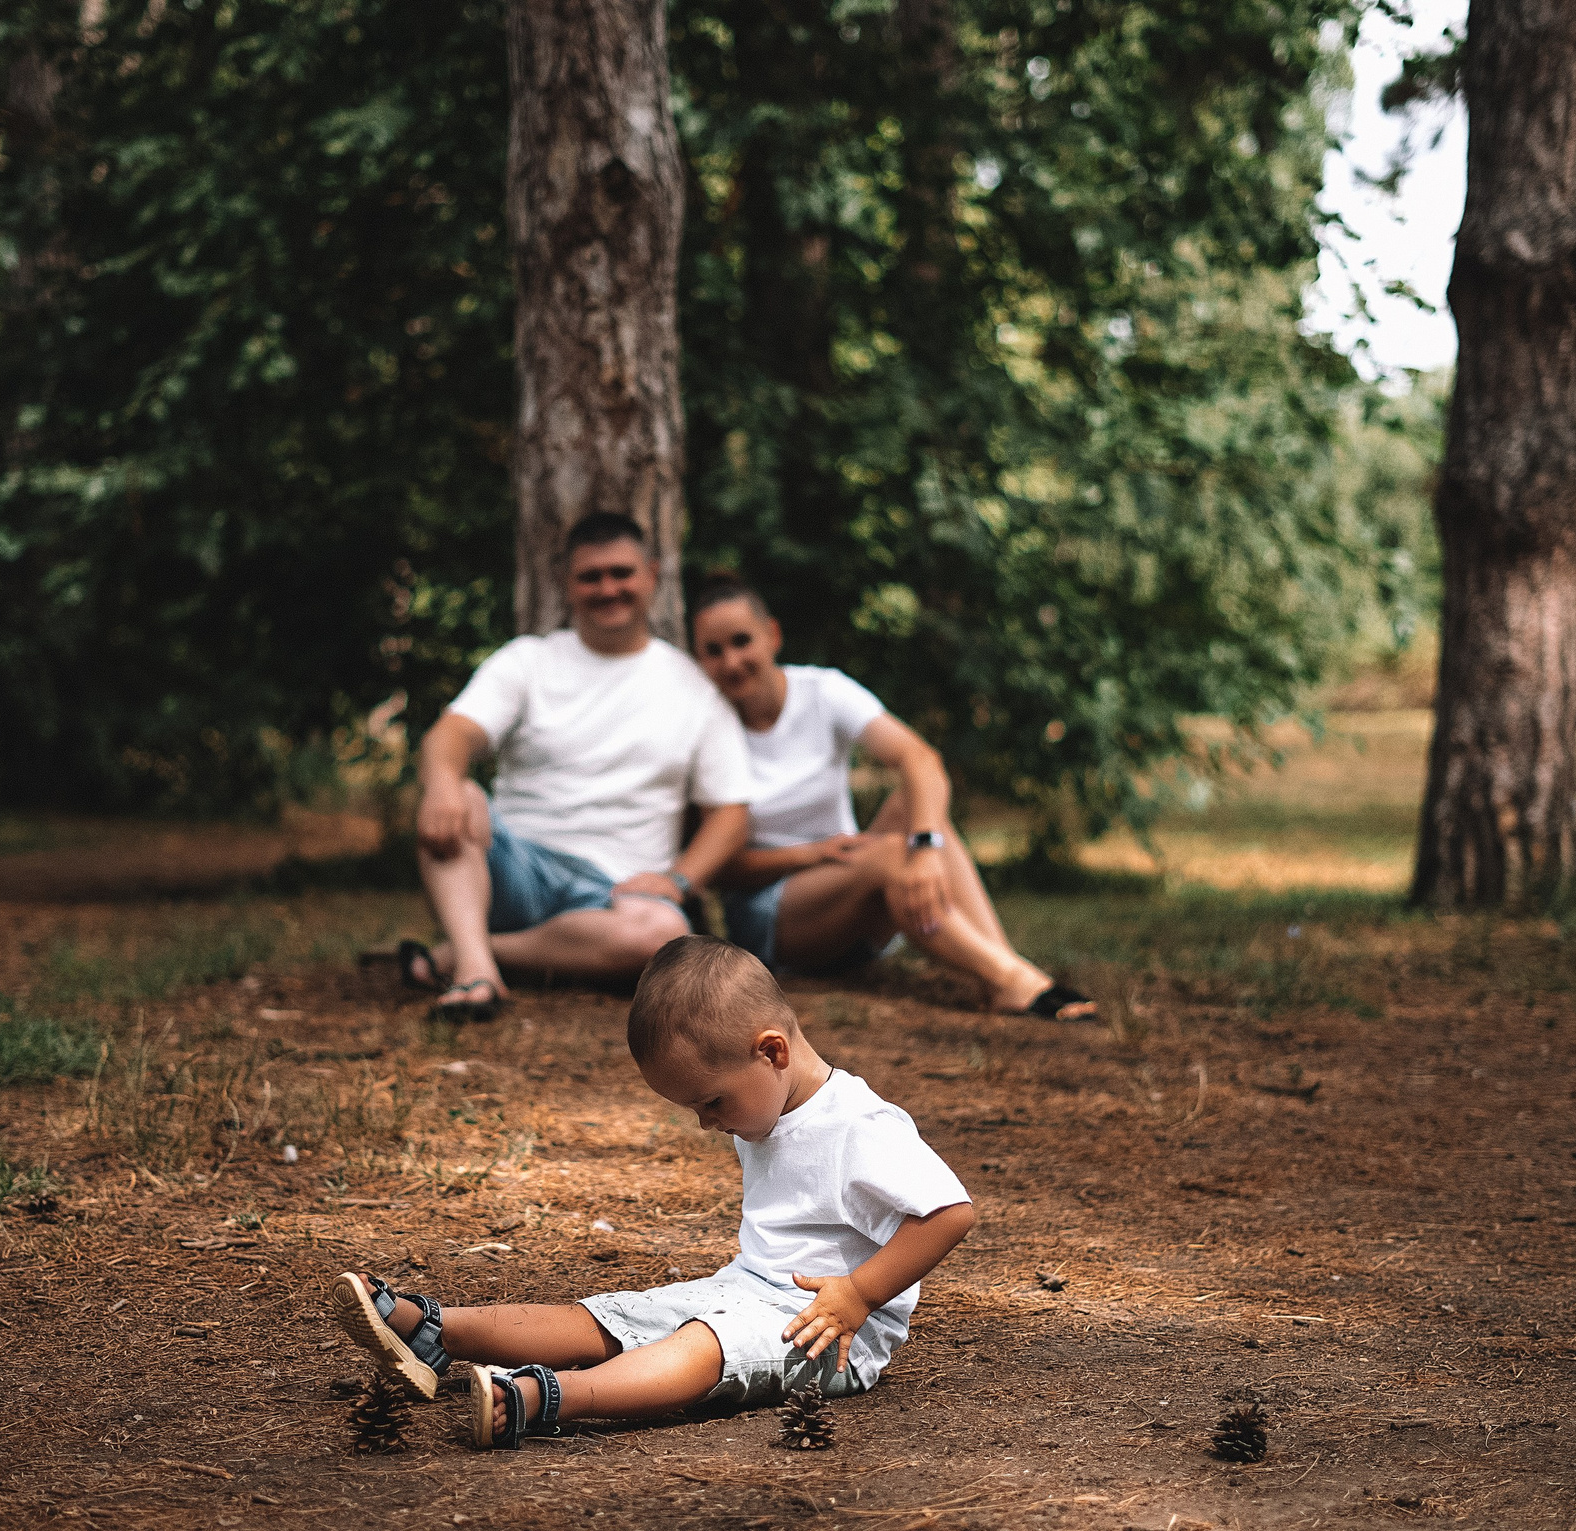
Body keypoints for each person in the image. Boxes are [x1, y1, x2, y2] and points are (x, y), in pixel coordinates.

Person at [327, 935, 977, 1446]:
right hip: (746, 1286)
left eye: (712, 1100)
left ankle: (544, 1398)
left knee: (700, 1349)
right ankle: (435, 1330)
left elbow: (950, 1213)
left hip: (829, 1334)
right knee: (609, 1316)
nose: (706, 1121)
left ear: (772, 1051)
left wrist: (860, 1292)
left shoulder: (860, 1126)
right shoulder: (768, 1098)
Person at [689, 577, 1097, 1020]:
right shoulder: (704, 727)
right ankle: (1010, 979)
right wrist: (810, 854)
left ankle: (1004, 969)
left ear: (772, 635)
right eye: (714, 651)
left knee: (914, 807)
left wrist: (925, 848)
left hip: (849, 885)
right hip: (771, 920)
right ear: (699, 660)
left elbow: (918, 757)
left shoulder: (821, 692)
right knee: (885, 854)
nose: (731, 661)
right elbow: (721, 870)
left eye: (742, 641)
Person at [399, 514, 753, 1018]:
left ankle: (471, 951)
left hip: (613, 895)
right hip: (513, 869)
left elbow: (730, 814)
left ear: (652, 575)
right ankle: (478, 976)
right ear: (567, 584)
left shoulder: (695, 687)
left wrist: (678, 880)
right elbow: (451, 735)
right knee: (462, 794)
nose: (608, 588)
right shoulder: (528, 661)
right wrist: (440, 785)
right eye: (590, 576)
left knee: (662, 934)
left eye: (622, 573)